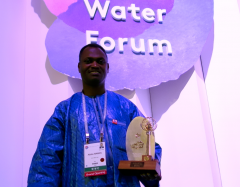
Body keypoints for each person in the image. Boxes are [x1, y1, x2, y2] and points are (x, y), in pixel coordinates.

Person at [28, 44, 162, 187]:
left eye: (100, 61)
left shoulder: (125, 108)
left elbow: (149, 146)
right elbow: (46, 160)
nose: (94, 65)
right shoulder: (65, 110)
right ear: (79, 67)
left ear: (107, 67)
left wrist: (151, 167)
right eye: (88, 61)